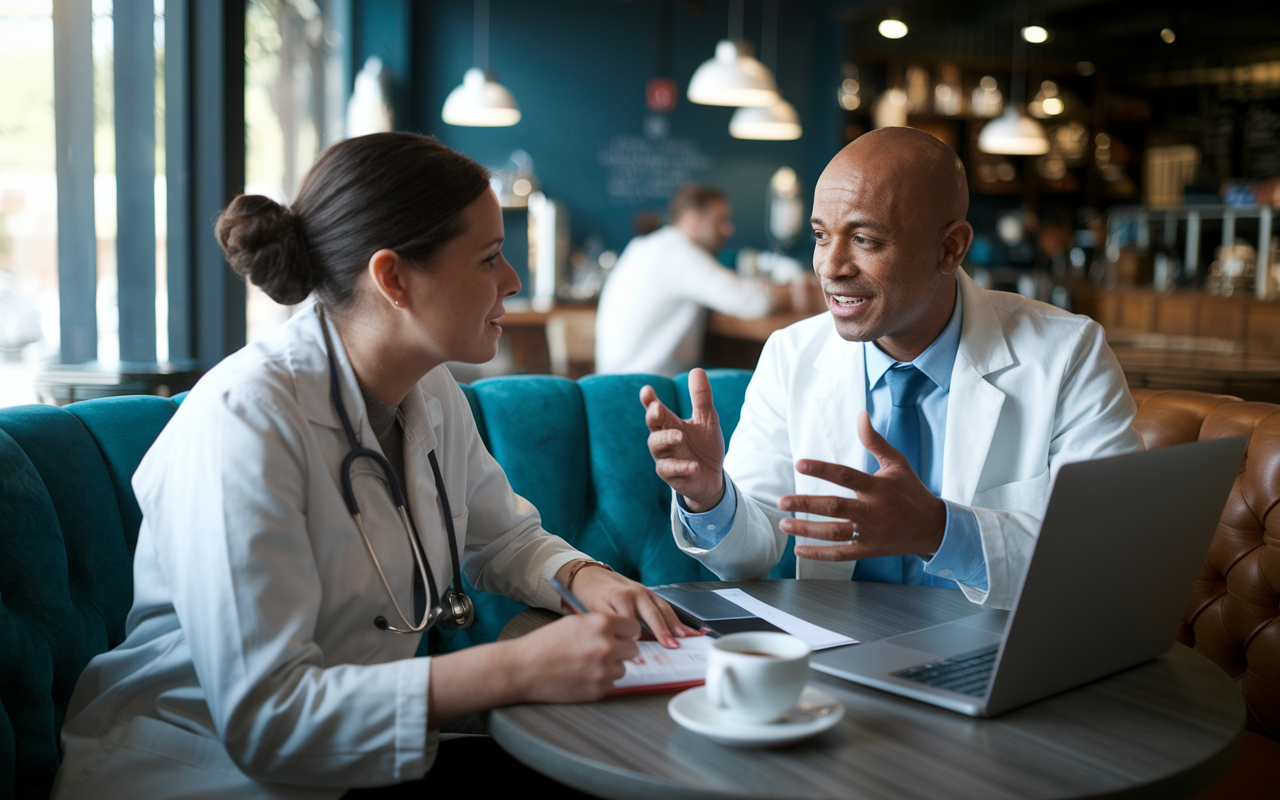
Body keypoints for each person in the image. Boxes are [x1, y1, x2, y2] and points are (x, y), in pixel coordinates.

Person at [51, 133, 696, 800]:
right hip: (195, 770)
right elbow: (267, 721)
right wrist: (513, 669)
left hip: (345, 763)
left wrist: (581, 575)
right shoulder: (242, 421)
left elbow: (503, 536)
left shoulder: (428, 388)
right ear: (392, 278)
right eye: (490, 258)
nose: (514, 280)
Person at [640, 128, 1142, 611]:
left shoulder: (1070, 354)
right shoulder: (790, 354)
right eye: (821, 236)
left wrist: (939, 530)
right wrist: (711, 499)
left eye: (864, 240)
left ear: (951, 248)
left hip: (998, 659)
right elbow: (755, 548)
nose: (831, 267)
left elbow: (1107, 554)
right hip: (839, 654)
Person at [595, 184, 790, 377]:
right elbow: (753, 302)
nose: (728, 229)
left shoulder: (648, 246)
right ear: (693, 219)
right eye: (720, 221)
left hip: (616, 379)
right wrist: (792, 290)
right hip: (644, 387)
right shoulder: (676, 254)